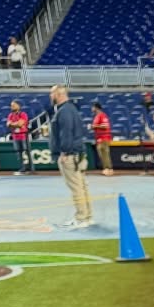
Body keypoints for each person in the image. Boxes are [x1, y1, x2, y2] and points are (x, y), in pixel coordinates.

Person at [49, 84, 92, 227]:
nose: (50, 96)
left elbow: (66, 133)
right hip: (77, 153)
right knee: (81, 186)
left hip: (70, 155)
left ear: (59, 94)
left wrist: (64, 152)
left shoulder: (64, 111)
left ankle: (81, 218)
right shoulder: (71, 109)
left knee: (76, 188)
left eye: (52, 93)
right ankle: (87, 216)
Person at [6, 98, 31, 173]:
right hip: (15, 136)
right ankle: (22, 168)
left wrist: (13, 124)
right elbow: (8, 124)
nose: (12, 107)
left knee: (26, 152)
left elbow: (20, 124)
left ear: (19, 106)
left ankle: (29, 168)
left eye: (14, 105)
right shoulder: (10, 115)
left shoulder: (23, 114)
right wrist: (16, 124)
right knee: (18, 153)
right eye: (11, 106)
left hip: (23, 136)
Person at [90, 100, 113, 174]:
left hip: (104, 137)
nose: (91, 108)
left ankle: (108, 169)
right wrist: (93, 127)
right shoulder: (96, 116)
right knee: (101, 154)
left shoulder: (102, 115)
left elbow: (106, 126)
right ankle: (106, 168)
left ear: (96, 108)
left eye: (92, 107)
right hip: (99, 138)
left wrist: (94, 126)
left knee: (105, 154)